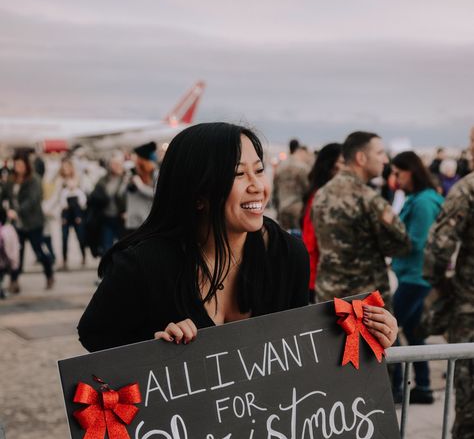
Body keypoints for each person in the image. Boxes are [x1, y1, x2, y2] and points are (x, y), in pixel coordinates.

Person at [78, 123, 397, 356]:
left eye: (258, 171)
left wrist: (368, 333)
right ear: (198, 193)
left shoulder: (286, 254)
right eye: (238, 174)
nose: (257, 185)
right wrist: (153, 347)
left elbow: (299, 352)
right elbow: (97, 344)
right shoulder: (142, 265)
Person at [423, 125, 474, 439]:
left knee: (469, 384)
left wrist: (439, 283)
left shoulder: (468, 188)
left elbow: (439, 247)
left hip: (470, 306)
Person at [312, 131, 411, 309]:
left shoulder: (321, 194)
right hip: (365, 306)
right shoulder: (368, 199)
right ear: (361, 158)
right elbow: (401, 244)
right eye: (380, 153)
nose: (385, 160)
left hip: (329, 297)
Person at [390, 151, 444, 404]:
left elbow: (417, 242)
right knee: (412, 330)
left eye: (398, 173)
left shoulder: (422, 203)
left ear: (410, 171)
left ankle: (396, 386)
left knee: (388, 328)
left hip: (415, 277)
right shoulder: (419, 198)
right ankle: (422, 386)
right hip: (412, 275)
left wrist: (386, 241)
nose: (395, 179)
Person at [4, 154, 54, 292]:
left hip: (33, 223)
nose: (18, 167)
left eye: (21, 165)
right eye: (16, 164)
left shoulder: (34, 180)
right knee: (16, 253)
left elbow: (33, 200)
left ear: (27, 166)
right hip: (16, 224)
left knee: (39, 251)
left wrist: (17, 211)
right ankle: (14, 281)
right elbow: (5, 195)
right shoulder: (11, 180)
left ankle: (49, 274)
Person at [301, 143, 343, 302]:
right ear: (330, 166)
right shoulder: (321, 197)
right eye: (343, 162)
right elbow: (310, 243)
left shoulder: (323, 194)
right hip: (318, 278)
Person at [86, 153, 127, 257]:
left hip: (121, 218)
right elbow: (93, 196)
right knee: (106, 248)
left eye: (118, 164)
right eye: (113, 164)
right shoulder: (103, 180)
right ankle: (108, 271)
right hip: (106, 218)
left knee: (123, 247)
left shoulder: (126, 179)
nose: (116, 166)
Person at [272, 140, 310, 236]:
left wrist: (277, 207)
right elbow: (307, 189)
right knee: (299, 239)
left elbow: (275, 189)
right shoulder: (303, 167)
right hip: (298, 208)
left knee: (284, 238)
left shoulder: (280, 166)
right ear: (298, 149)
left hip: (283, 207)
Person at [125, 142, 158, 234]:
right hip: (134, 221)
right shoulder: (133, 173)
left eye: (135, 156)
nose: (132, 159)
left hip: (148, 220)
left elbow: (158, 194)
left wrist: (140, 186)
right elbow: (128, 195)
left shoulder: (154, 174)